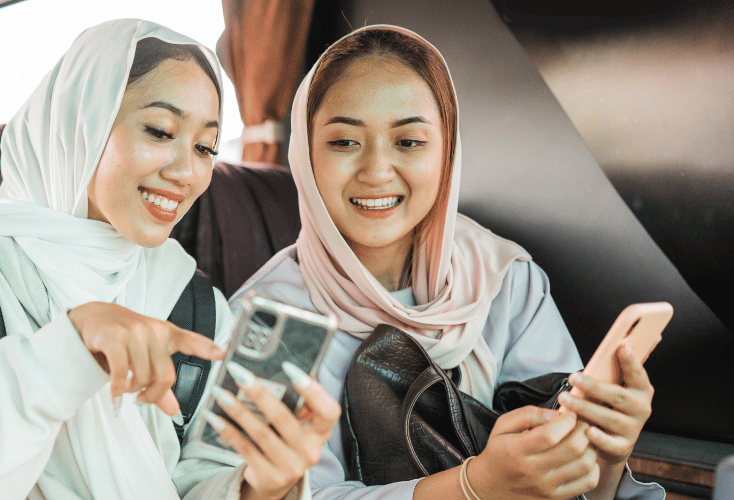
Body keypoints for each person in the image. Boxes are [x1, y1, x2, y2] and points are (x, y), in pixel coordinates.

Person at [0, 18, 341, 500]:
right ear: (83, 123)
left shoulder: (196, 304)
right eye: (161, 131)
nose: (188, 171)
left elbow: (202, 480)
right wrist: (69, 348)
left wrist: (260, 487)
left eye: (205, 147)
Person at [231, 25, 664, 500]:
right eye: (343, 142)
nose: (376, 170)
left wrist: (604, 455)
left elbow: (579, 484)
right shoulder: (269, 321)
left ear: (448, 153)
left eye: (409, 142)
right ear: (304, 154)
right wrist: (472, 486)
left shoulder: (504, 280)